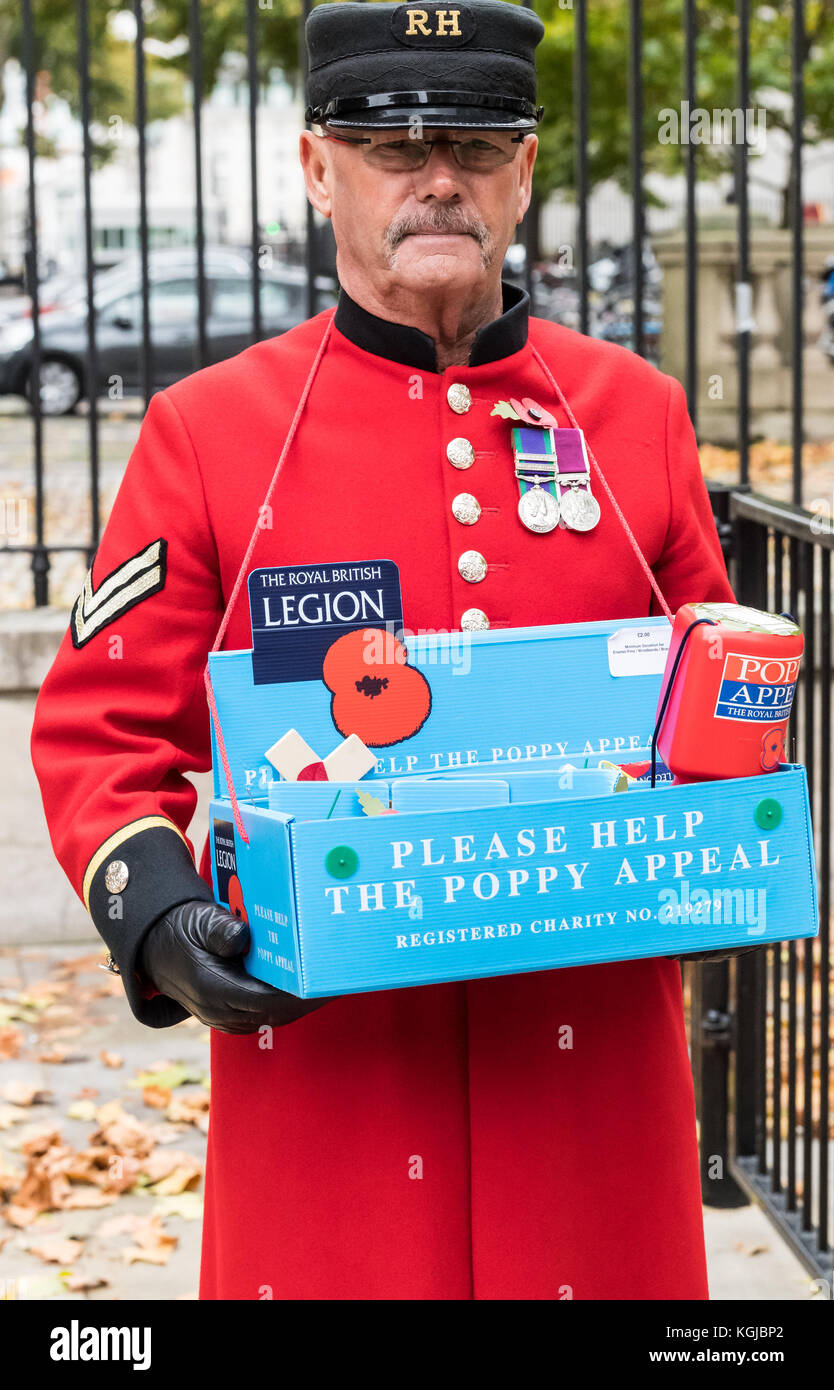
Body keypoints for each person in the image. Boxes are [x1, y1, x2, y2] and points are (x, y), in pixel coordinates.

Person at [32, 0, 740, 1299]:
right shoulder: (209, 433)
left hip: (585, 1072)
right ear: (317, 169)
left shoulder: (635, 417)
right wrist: (158, 916)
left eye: (474, 146)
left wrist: (717, 825)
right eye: (389, 147)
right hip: (334, 1087)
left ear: (521, 171)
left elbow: (714, 698)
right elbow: (101, 729)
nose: (435, 179)